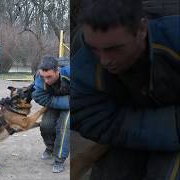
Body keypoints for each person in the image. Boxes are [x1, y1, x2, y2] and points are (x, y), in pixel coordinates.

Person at [70, 0, 180, 179]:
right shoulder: (81, 53)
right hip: (125, 125)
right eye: (95, 49)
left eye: (114, 49)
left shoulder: (174, 35)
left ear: (142, 30)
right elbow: (88, 115)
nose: (104, 61)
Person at [32, 56, 70, 173]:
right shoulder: (39, 79)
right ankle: (50, 147)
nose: (46, 81)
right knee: (46, 125)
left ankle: (59, 159)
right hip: (54, 101)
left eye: (49, 77)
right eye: (44, 77)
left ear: (57, 70)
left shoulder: (72, 72)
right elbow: (40, 97)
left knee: (64, 126)